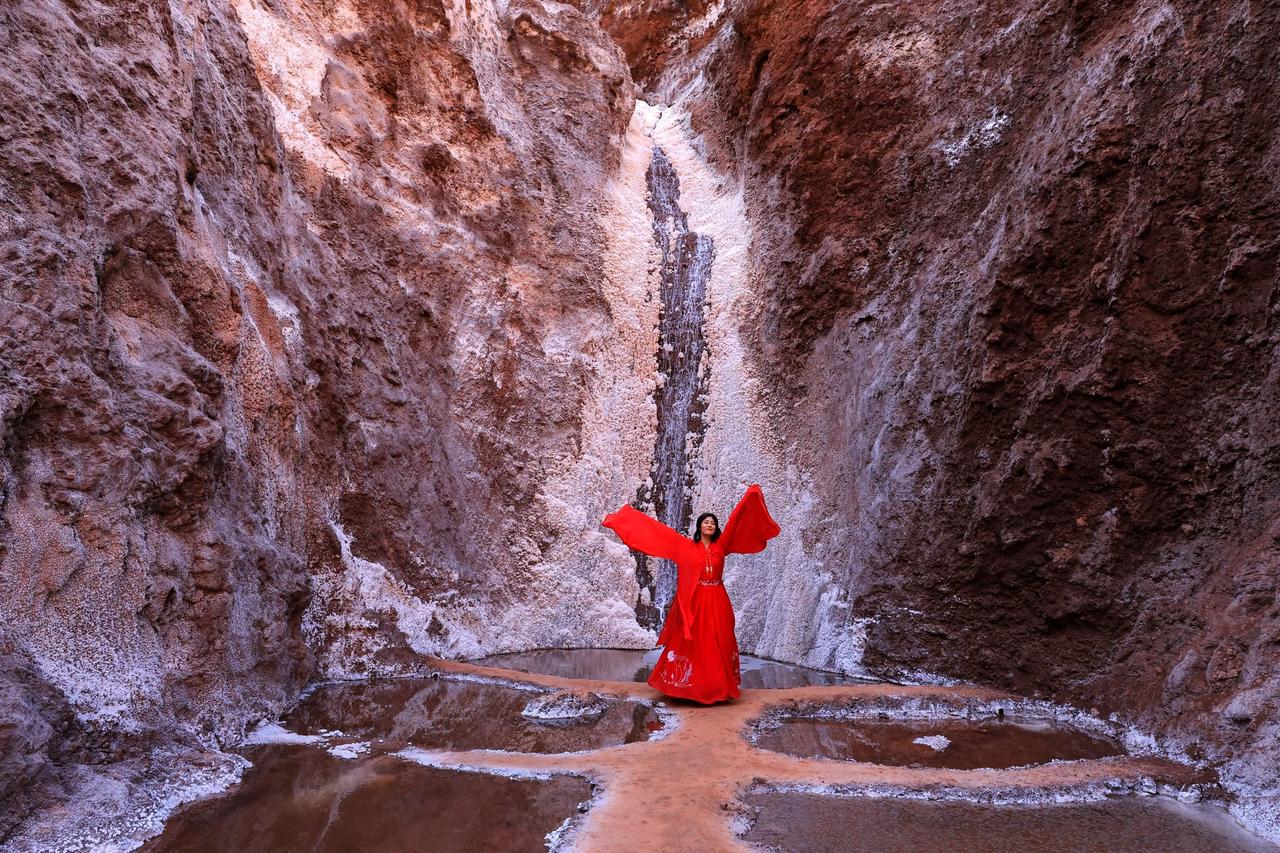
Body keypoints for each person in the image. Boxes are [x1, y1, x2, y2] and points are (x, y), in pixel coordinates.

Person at [602, 484, 781, 704]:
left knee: (718, 639)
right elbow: (659, 534)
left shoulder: (721, 547)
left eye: (713, 523)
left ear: (716, 529)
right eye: (706, 522)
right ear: (699, 526)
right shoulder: (686, 547)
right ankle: (689, 689)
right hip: (695, 601)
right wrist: (624, 520)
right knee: (696, 641)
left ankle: (717, 688)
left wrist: (750, 495)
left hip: (716, 598)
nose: (709, 524)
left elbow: (736, 522)